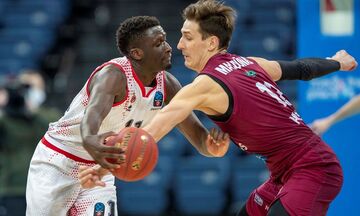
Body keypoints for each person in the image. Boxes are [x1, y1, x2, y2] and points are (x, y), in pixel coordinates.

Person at [78, 0, 358, 215]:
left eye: (188, 37)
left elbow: (155, 127)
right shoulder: (250, 63)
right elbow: (301, 69)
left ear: (211, 42)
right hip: (284, 172)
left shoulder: (204, 86)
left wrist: (105, 169)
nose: (179, 44)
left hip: (313, 168)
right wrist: (337, 62)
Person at [26, 15, 229, 216]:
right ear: (137, 53)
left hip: (99, 168)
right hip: (58, 160)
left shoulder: (168, 85)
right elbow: (92, 120)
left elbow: (199, 139)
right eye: (159, 43)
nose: (168, 47)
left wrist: (212, 147)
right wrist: (89, 139)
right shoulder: (113, 76)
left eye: (165, 40)